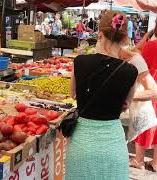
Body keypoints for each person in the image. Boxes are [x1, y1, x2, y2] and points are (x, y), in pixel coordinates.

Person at [66, 11, 139, 180]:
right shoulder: (130, 71)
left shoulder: (80, 61)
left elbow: (73, 94)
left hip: (82, 144)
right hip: (113, 145)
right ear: (124, 39)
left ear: (100, 34)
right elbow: (126, 105)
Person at [129, 18, 157, 171]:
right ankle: (155, 163)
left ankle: (139, 160)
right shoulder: (150, 39)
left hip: (151, 85)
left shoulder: (152, 45)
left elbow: (139, 60)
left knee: (145, 120)